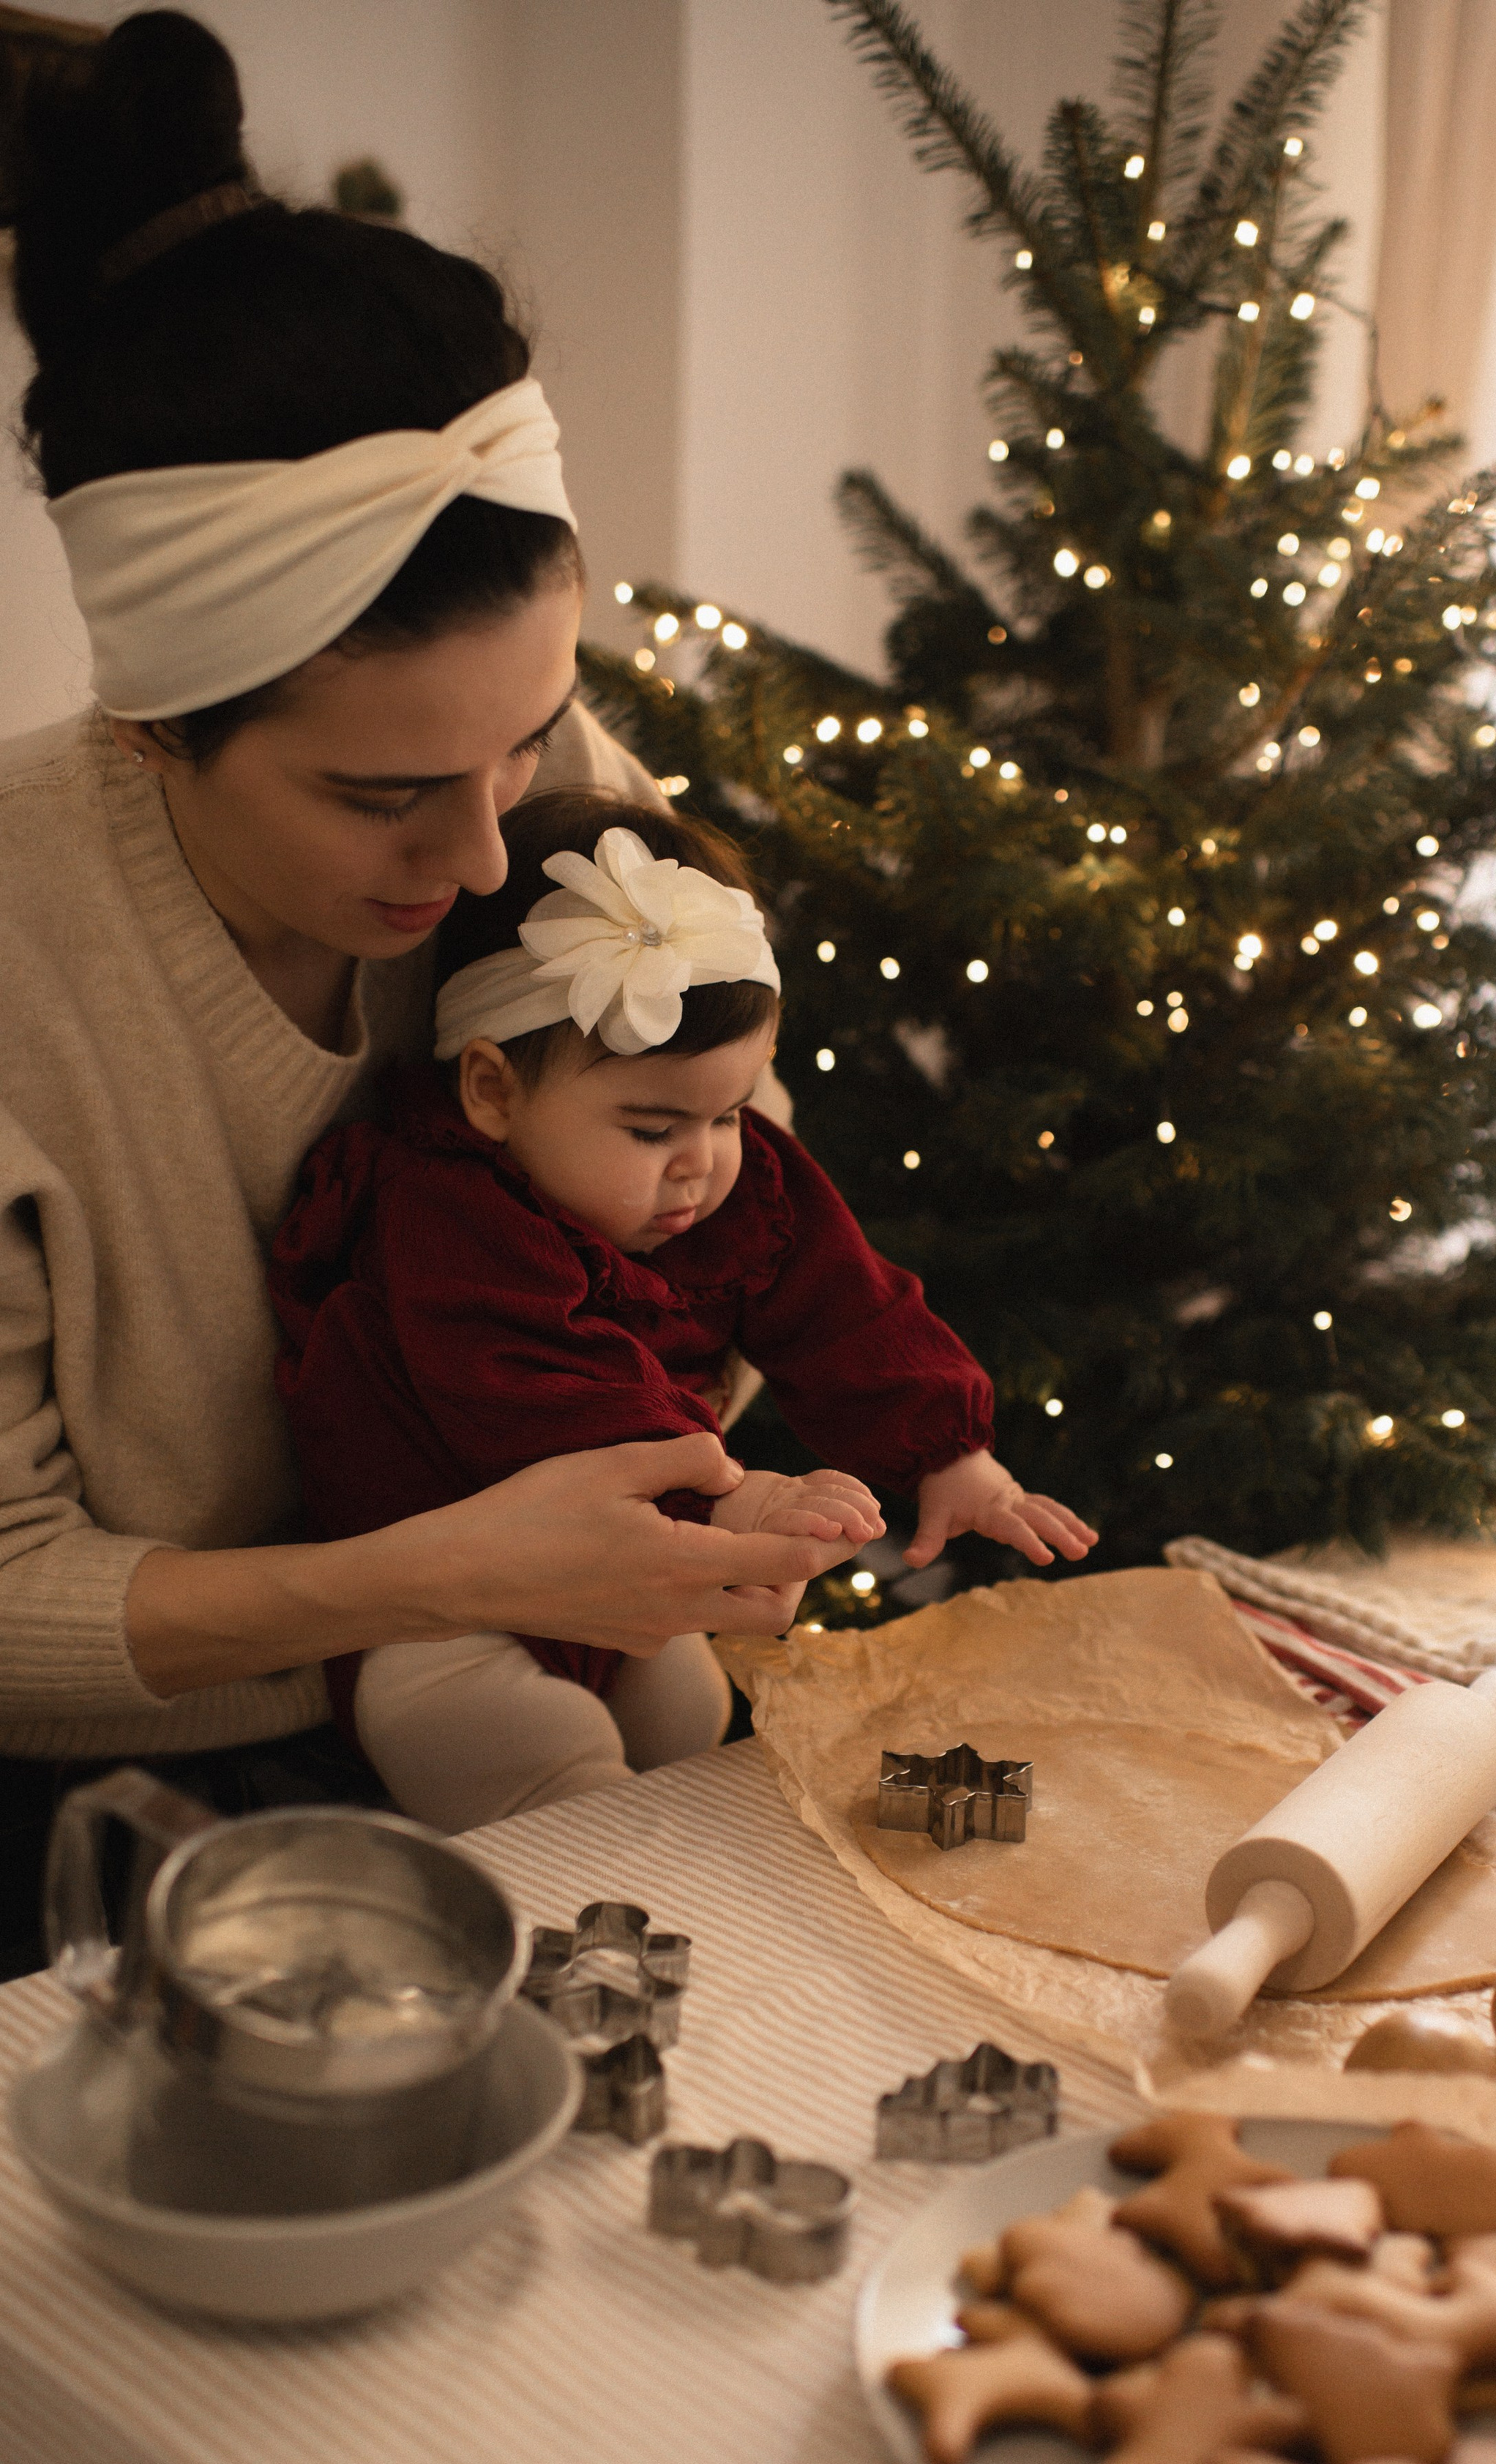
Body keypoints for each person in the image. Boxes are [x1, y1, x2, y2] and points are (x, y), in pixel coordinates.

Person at [0, 11, 837, 1965]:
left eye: (525, 743)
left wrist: (667, 1497)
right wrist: (429, 1571)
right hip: (119, 1822)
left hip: (560, 1672)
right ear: (152, 738)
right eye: (378, 793)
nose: (484, 860)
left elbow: (740, 1153)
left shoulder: (552, 786)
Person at [269, 791, 1098, 1832]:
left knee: (693, 1731)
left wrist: (947, 1450)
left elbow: (844, 1301)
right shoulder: (440, 1208)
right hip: (448, 1618)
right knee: (548, 1776)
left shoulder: (725, 1182)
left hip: (630, 1592)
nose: (702, 1162)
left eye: (730, 1113)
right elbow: (543, 1393)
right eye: (653, 1125)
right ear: (492, 1091)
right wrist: (727, 1497)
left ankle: (700, 1908)